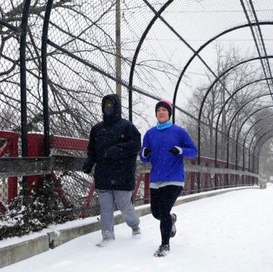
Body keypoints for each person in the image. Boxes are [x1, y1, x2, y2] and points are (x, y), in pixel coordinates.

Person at [139, 99, 198, 257]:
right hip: (156, 178)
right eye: (158, 110)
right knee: (156, 213)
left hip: (174, 178)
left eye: (164, 110)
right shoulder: (150, 134)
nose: (161, 112)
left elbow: (194, 151)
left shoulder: (179, 132)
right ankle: (171, 220)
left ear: (169, 113)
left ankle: (165, 245)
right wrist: (144, 154)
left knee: (164, 210)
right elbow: (144, 155)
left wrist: (180, 150)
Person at [83, 94, 142, 247]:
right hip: (103, 174)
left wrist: (118, 150)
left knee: (124, 206)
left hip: (122, 174)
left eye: (111, 105)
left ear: (117, 107)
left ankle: (135, 226)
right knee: (106, 207)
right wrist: (89, 163)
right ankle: (107, 236)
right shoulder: (97, 129)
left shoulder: (127, 127)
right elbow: (92, 150)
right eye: (106, 105)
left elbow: (136, 144)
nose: (108, 108)